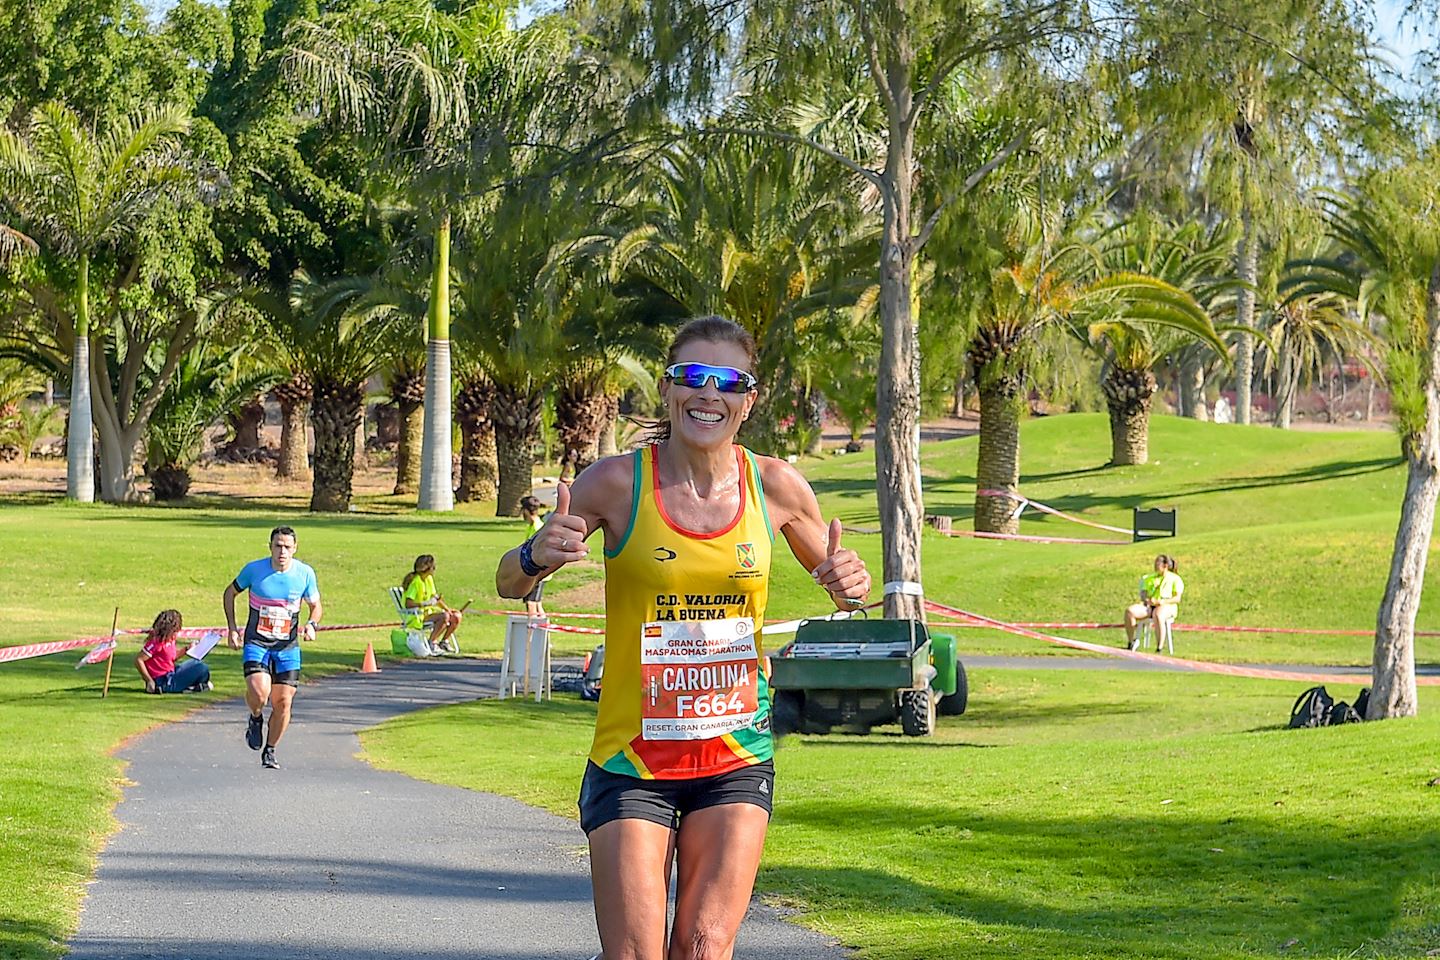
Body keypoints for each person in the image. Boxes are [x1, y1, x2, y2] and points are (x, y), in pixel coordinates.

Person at [496, 315, 871, 960]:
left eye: (728, 381)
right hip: (632, 756)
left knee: (702, 948)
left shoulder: (776, 487)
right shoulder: (616, 483)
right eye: (694, 377)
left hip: (736, 752)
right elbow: (508, 583)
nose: (709, 393)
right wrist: (535, 553)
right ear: (670, 390)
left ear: (748, 400)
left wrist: (849, 580)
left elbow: (840, 583)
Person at [223, 525, 322, 770]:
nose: (282, 551)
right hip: (257, 642)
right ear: (270, 547)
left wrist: (312, 624)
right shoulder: (254, 570)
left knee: (284, 702)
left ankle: (270, 749)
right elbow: (229, 593)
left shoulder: (305, 573)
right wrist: (232, 628)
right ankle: (255, 717)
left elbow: (316, 606)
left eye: (287, 547)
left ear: (295, 549)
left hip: (287, 647)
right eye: (278, 546)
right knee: (260, 693)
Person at [134, 609, 212, 694]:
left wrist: (187, 649)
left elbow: (172, 657)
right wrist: (149, 680)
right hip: (163, 679)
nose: (175, 635)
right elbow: (139, 660)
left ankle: (192, 686)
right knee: (202, 668)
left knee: (197, 663)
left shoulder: (170, 641)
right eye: (174, 631)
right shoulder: (156, 643)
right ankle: (190, 687)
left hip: (171, 672)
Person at [401, 554, 462, 653]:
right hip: (417, 617)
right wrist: (424, 604)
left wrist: (448, 609)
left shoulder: (429, 580)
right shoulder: (416, 582)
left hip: (428, 613)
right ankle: (432, 642)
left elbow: (435, 598)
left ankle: (444, 641)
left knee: (456, 616)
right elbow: (408, 603)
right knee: (444, 617)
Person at [1125, 554, 1185, 651]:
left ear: (1165, 566)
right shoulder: (1149, 578)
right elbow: (1143, 593)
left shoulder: (1175, 579)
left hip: (1167, 606)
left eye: (1157, 564)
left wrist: (1162, 602)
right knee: (1130, 611)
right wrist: (1147, 600)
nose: (1155, 566)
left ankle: (1159, 647)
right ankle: (1131, 642)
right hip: (1150, 605)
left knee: (1158, 614)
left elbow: (1177, 598)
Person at [518, 496, 551, 622]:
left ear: (526, 511)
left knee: (531, 604)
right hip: (537, 572)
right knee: (537, 604)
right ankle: (544, 639)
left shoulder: (538, 528)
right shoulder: (533, 527)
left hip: (536, 572)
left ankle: (531, 639)